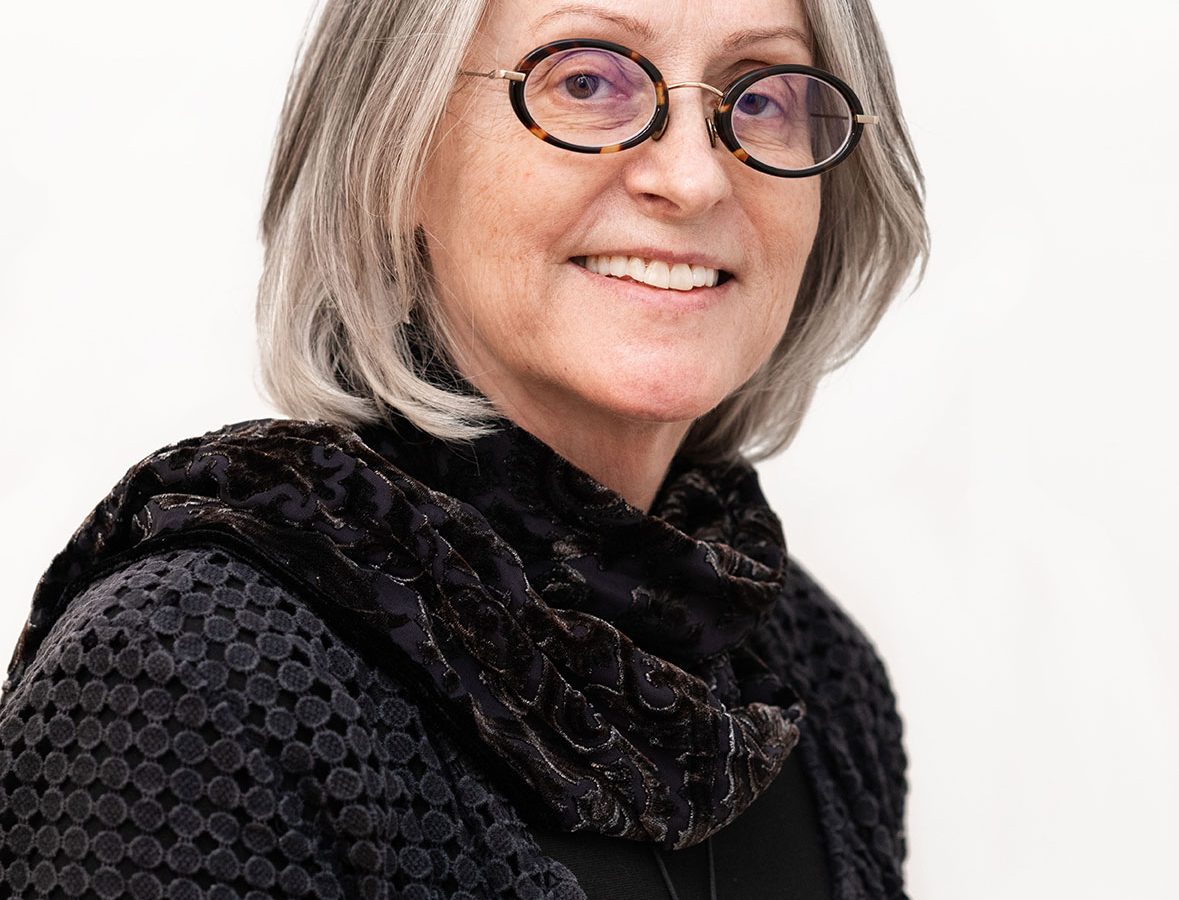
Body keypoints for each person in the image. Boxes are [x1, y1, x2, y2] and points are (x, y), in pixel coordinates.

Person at [0, 0, 926, 897]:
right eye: (586, 80)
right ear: (393, 152)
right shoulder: (185, 679)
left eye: (762, 96)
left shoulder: (816, 673)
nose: (692, 178)